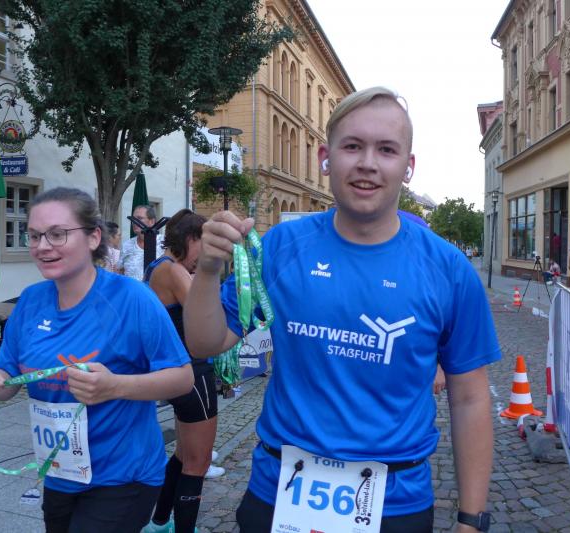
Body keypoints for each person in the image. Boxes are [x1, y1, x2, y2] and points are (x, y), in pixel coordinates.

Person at [185, 87, 501, 532]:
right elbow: (206, 342)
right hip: (279, 492)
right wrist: (207, 270)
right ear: (325, 158)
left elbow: (469, 398)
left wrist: (471, 520)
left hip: (395, 504)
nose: (368, 163)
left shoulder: (448, 269)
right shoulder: (281, 247)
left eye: (386, 150)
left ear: (408, 166)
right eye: (352, 146)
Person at [0, 187, 194, 533]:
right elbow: (8, 374)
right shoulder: (30, 301)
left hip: (123, 475)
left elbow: (182, 377)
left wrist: (115, 386)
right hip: (60, 471)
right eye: (34, 236)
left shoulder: (132, 298)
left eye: (57, 234)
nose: (43, 246)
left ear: (93, 237)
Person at [142, 209, 222, 533]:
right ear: (190, 239)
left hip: (178, 371)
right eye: (203, 244)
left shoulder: (156, 266)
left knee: (182, 455)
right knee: (198, 462)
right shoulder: (174, 271)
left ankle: (160, 522)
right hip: (194, 373)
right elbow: (208, 316)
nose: (203, 255)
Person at [119, 204, 164, 281]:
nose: (134, 222)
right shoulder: (127, 245)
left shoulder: (164, 243)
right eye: (133, 218)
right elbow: (120, 270)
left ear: (152, 221)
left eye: (139, 218)